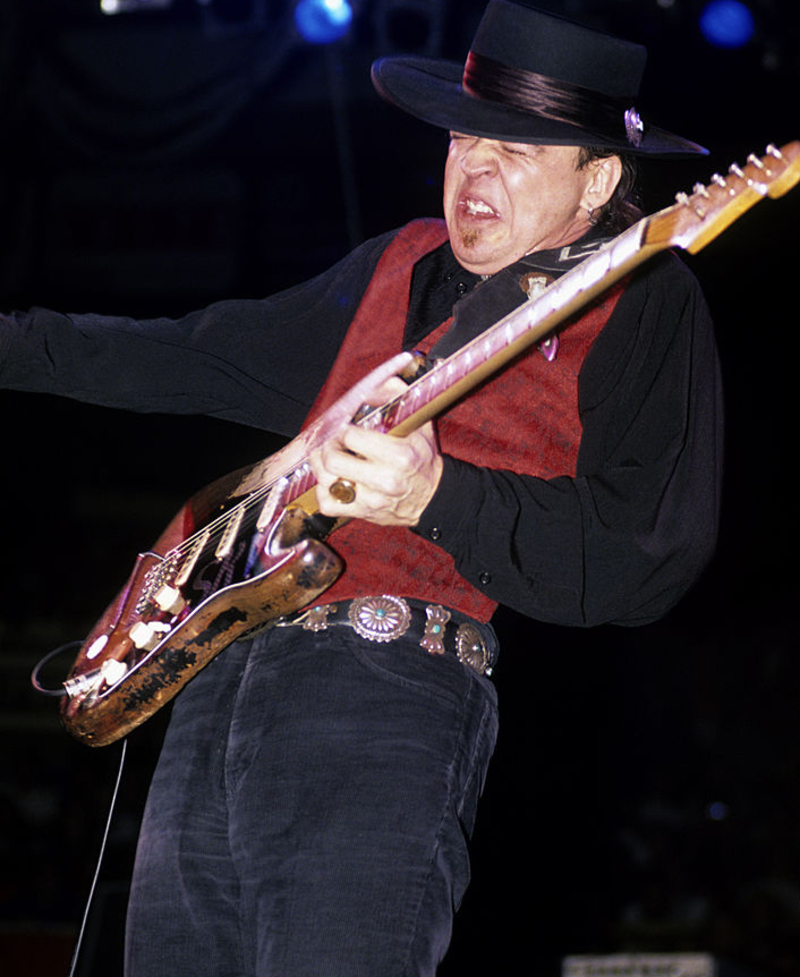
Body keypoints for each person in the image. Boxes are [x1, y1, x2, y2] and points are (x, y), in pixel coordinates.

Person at [0, 2, 722, 974]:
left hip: (383, 691)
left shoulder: (640, 292)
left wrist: (435, 497)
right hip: (215, 675)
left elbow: (642, 561)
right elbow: (184, 356)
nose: (473, 168)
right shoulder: (393, 260)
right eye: (465, 137)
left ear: (595, 180)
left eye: (515, 150)